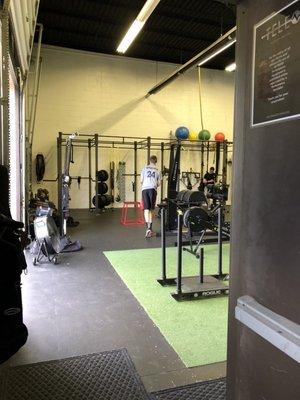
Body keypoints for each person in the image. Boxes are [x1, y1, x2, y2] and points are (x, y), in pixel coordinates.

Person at [141, 155, 161, 238]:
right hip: (152, 189)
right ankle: (150, 228)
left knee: (146, 209)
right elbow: (159, 183)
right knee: (151, 209)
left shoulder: (144, 168)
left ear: (149, 161)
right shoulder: (158, 170)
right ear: (156, 161)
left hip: (144, 189)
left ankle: (148, 229)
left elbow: (141, 181)